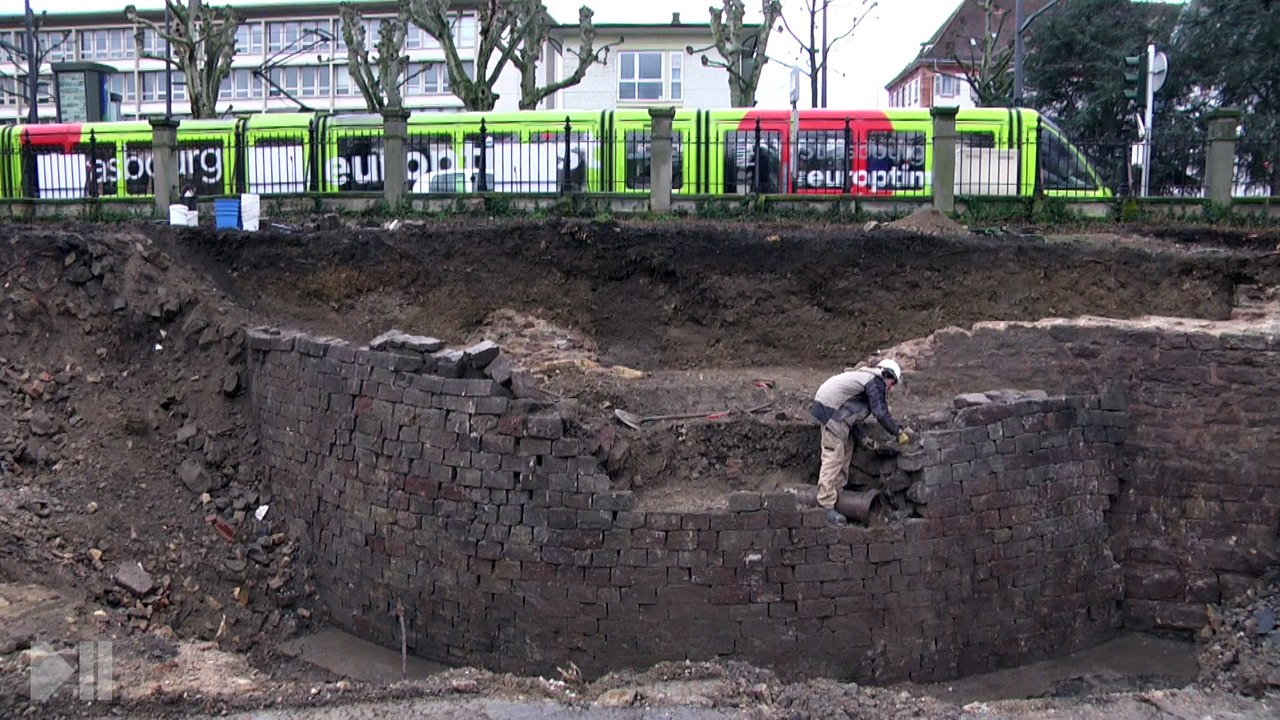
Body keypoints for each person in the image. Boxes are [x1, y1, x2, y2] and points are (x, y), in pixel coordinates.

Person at [810, 359, 910, 525]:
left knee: (846, 449)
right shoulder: (875, 381)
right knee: (834, 456)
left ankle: (838, 494)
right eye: (892, 382)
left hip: (835, 412)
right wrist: (898, 432)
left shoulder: (865, 379)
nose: (891, 387)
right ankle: (825, 505)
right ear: (887, 375)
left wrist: (864, 439)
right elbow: (880, 412)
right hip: (830, 411)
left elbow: (849, 415)